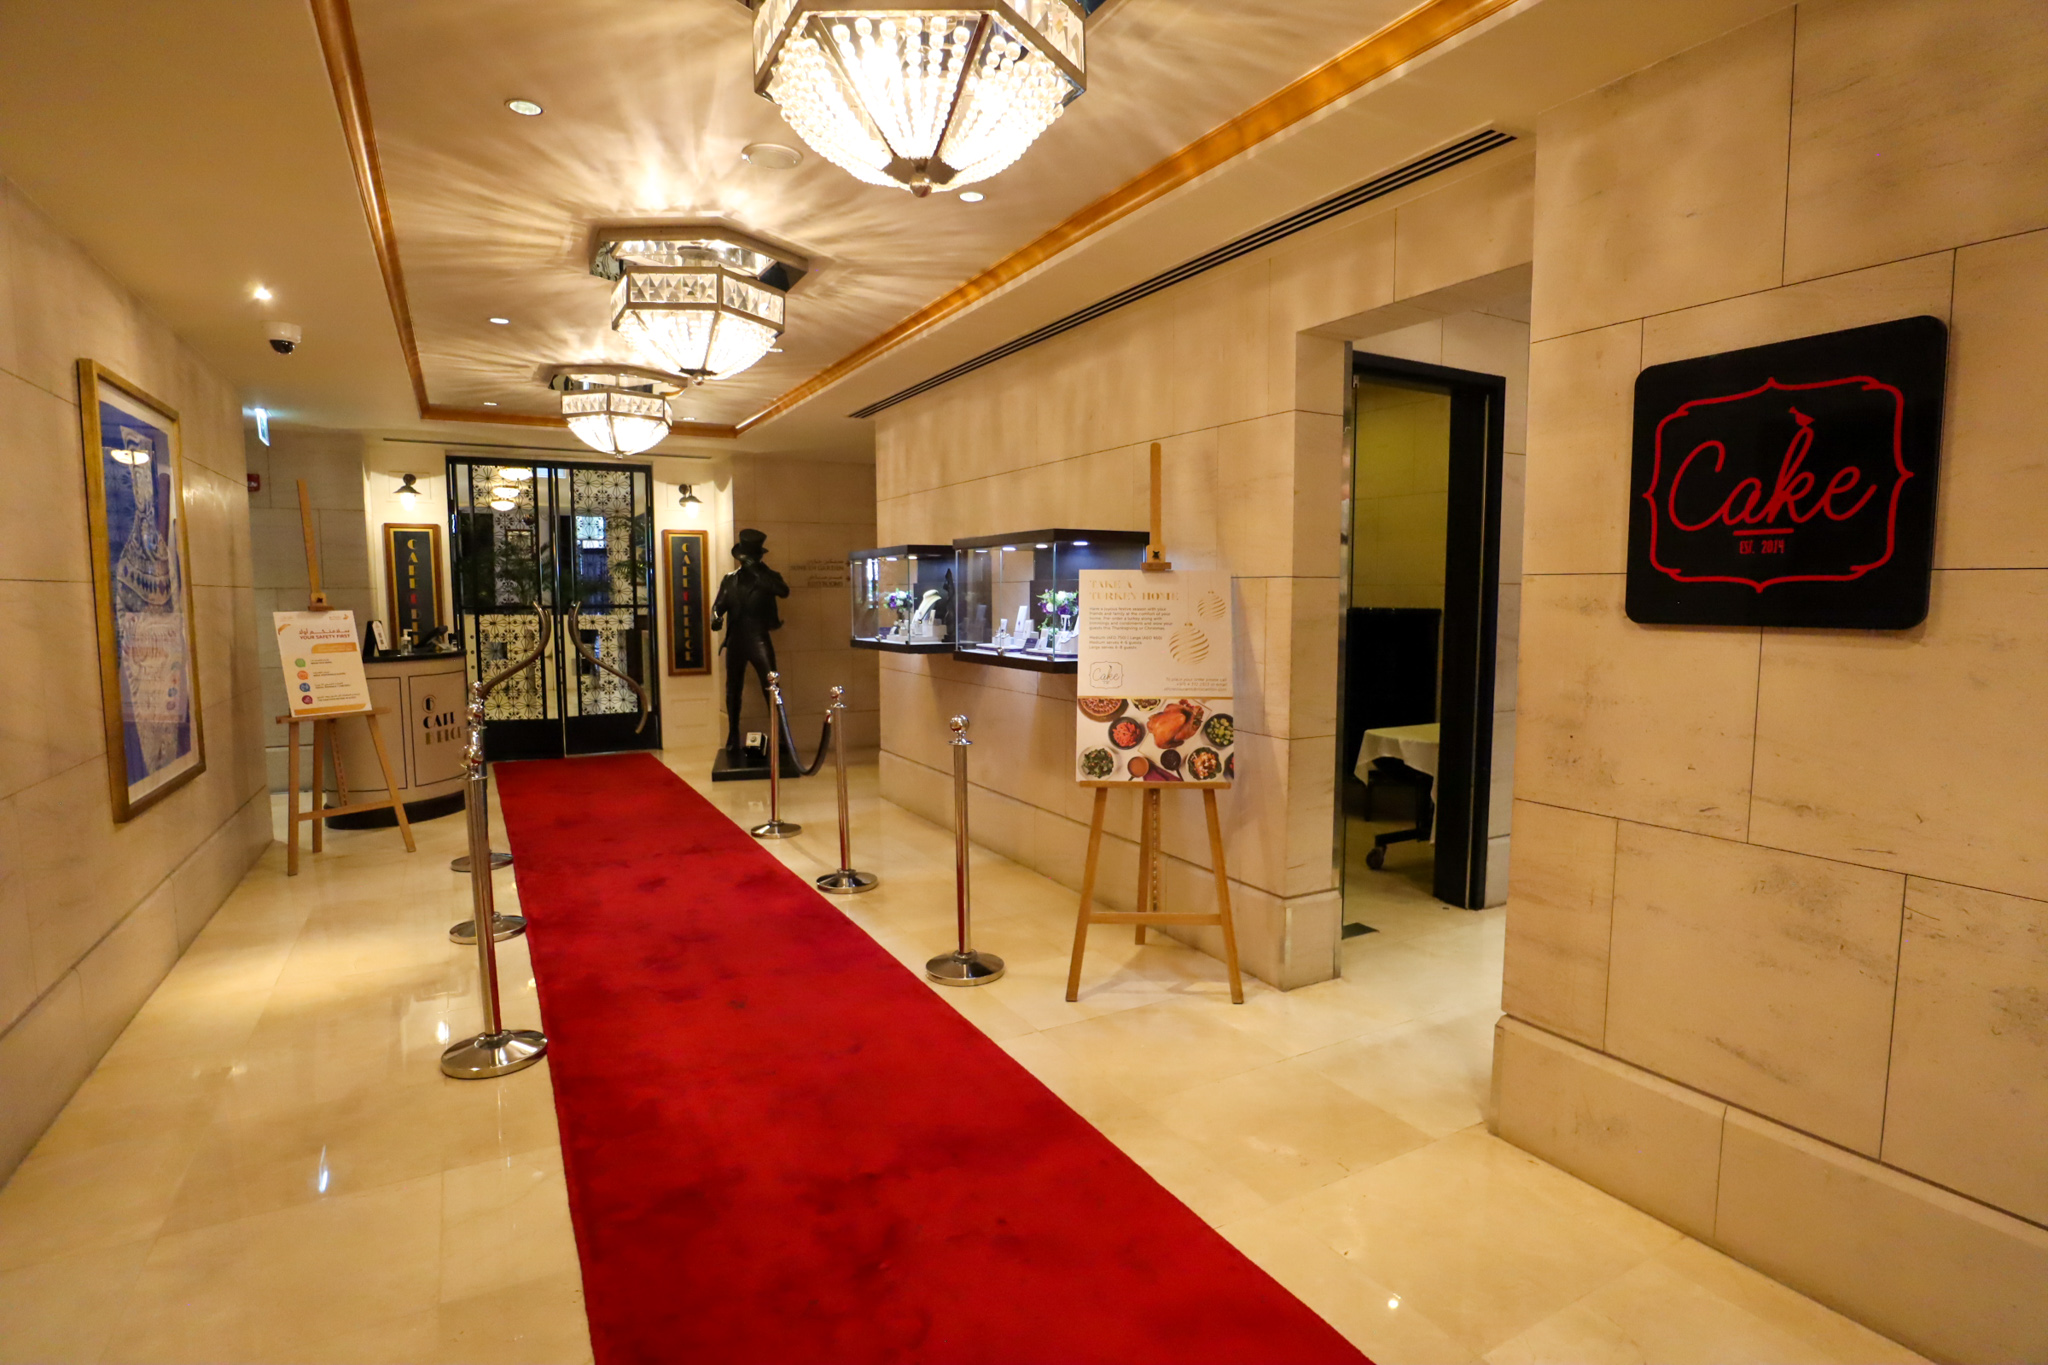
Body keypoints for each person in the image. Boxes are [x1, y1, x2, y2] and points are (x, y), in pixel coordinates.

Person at [712, 527, 796, 760]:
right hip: (736, 639)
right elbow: (719, 605)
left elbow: (783, 591)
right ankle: (733, 733)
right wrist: (716, 617)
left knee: (771, 685)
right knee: (733, 688)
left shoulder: (768, 577)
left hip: (758, 637)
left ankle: (781, 736)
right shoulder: (730, 579)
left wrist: (759, 573)